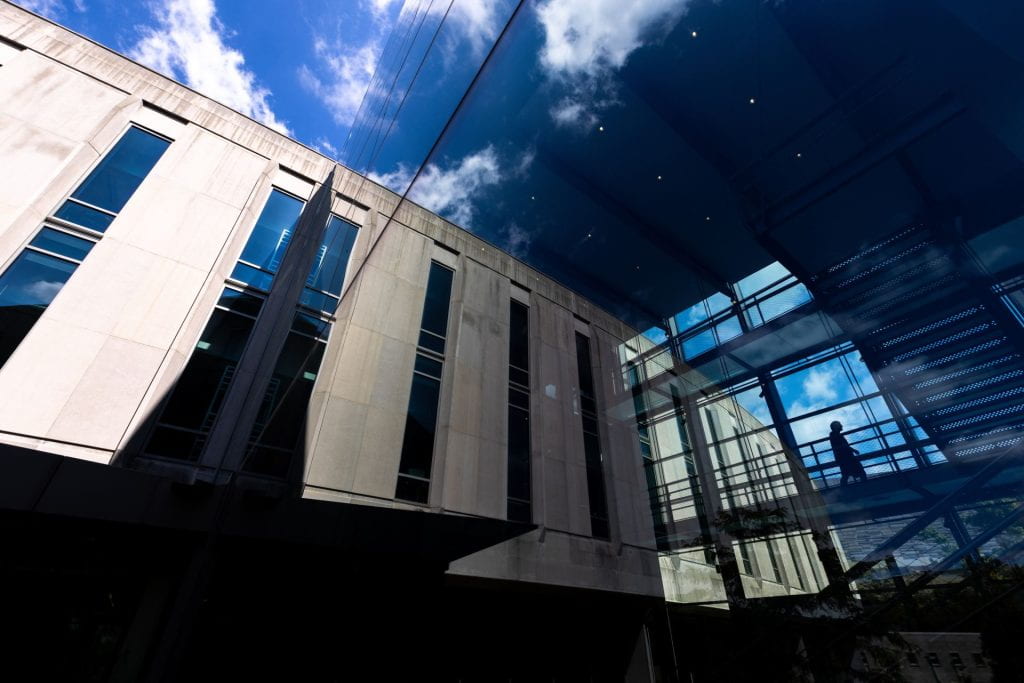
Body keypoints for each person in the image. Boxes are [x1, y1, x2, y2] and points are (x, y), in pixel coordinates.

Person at [829, 420, 867, 486]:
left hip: (843, 458)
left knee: (846, 474)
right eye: (839, 425)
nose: (841, 425)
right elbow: (843, 446)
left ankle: (844, 488)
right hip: (846, 457)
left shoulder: (834, 435)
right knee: (859, 472)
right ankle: (865, 485)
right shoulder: (836, 435)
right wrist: (853, 450)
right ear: (835, 427)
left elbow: (842, 446)